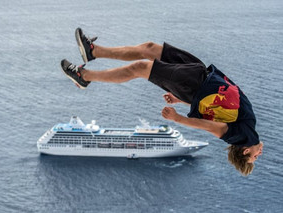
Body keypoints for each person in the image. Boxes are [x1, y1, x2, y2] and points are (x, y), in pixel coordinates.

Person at [61, 28, 263, 176]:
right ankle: (93, 51)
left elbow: (210, 126)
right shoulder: (247, 126)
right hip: (202, 75)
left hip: (194, 84)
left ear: (245, 151)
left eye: (254, 157)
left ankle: (85, 76)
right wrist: (181, 100)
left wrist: (179, 119)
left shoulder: (243, 137)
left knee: (140, 68)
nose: (259, 154)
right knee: (150, 48)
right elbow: (219, 109)